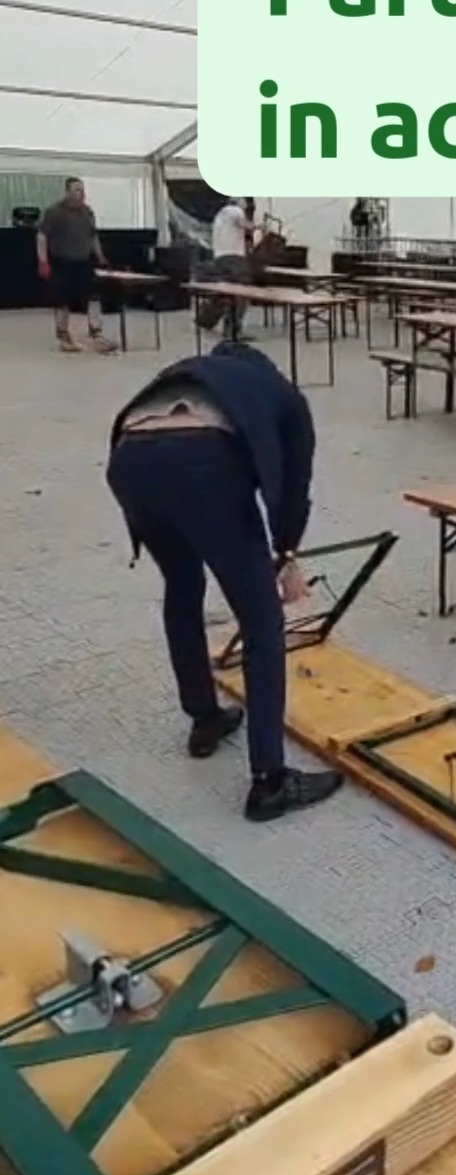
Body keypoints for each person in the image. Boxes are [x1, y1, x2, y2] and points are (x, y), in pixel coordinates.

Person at [106, 341, 343, 823]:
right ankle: (270, 782)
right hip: (202, 465)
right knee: (261, 623)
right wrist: (287, 555)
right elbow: (293, 483)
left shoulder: (190, 370)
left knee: (182, 587)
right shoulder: (281, 392)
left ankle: (205, 718)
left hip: (128, 460)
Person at [36, 175, 117, 353]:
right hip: (62, 262)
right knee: (62, 301)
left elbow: (92, 235)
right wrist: (43, 261)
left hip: (83, 262)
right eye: (77, 190)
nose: (81, 193)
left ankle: (97, 334)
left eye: (82, 190)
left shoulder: (87, 212)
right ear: (67, 192)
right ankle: (63, 337)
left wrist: (101, 256)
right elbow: (42, 236)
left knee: (93, 297)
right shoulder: (54, 212)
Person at [198, 196, 256, 335]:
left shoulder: (220, 214)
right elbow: (245, 225)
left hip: (220, 257)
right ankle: (234, 329)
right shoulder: (236, 211)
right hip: (234, 257)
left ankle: (206, 320)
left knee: (225, 292)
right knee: (242, 293)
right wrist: (258, 227)